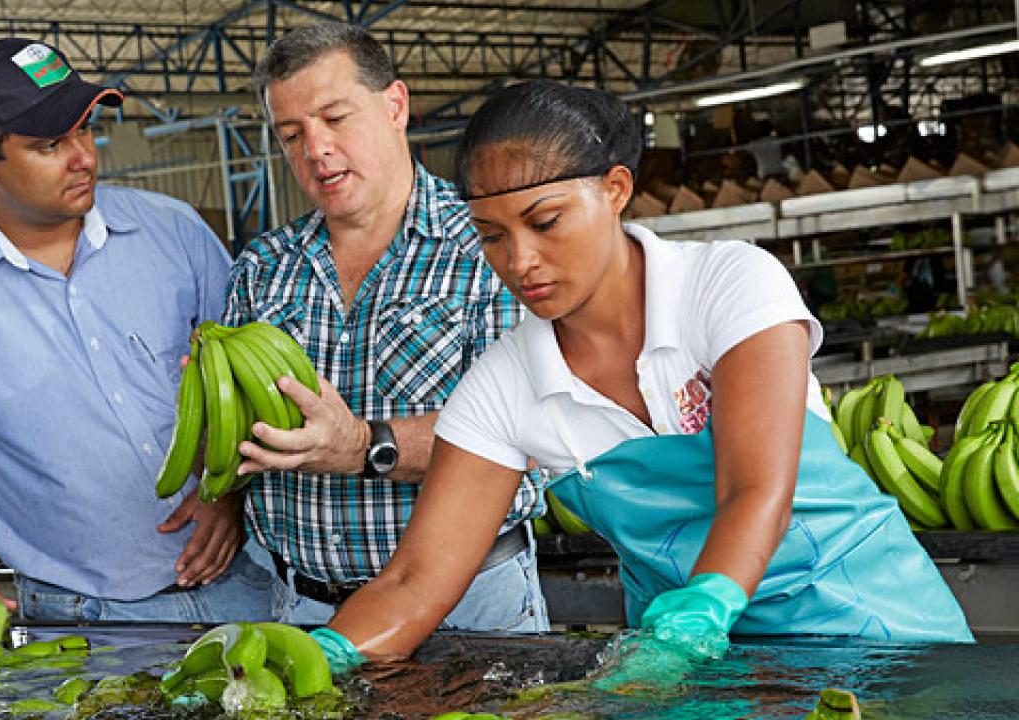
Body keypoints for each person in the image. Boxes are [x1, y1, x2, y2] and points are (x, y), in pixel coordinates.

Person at [310, 80, 973, 678]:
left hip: (874, 632)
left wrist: (698, 618)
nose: (520, 260)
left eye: (545, 222)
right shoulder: (505, 384)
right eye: (490, 236)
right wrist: (325, 653)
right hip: (702, 676)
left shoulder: (727, 284)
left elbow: (753, 488)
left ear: (615, 189)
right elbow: (415, 581)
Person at [0, 37, 270, 632]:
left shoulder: (174, 233)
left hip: (246, 581)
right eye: (49, 144)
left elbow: (253, 384)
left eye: (85, 130)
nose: (84, 158)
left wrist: (230, 496)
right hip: (85, 623)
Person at [222, 22, 548, 631]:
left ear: (395, 105)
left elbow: (525, 436)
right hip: (304, 608)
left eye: (335, 118)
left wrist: (361, 446)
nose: (315, 149)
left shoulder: (490, 245)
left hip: (468, 605)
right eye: (291, 134)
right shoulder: (262, 269)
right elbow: (242, 438)